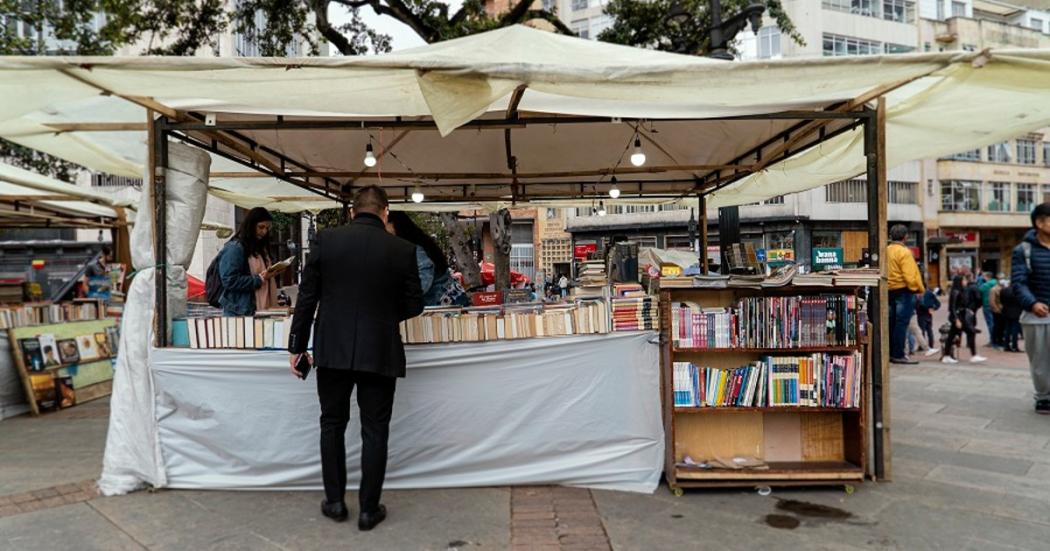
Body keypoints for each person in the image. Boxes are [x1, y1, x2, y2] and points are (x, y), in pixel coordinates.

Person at [288, 186, 424, 529]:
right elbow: (415, 303)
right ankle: (368, 509)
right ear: (386, 212)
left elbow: (307, 298)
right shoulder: (402, 249)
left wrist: (296, 346)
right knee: (375, 429)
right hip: (379, 348)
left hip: (331, 348)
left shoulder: (325, 242)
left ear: (352, 211)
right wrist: (382, 316)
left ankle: (334, 503)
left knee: (331, 424)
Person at [1011, 202, 1050, 414]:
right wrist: (1032, 303)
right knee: (1040, 360)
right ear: (1039, 223)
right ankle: (1044, 397)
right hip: (1037, 315)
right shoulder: (1023, 250)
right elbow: (1018, 282)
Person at [386, 211, 470, 307]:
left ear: (396, 224)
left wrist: (404, 298)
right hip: (450, 298)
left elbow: (424, 275)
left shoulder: (414, 248)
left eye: (385, 224)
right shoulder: (417, 244)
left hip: (444, 302)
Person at [218, 207, 278, 316]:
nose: (264, 231)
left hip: (257, 310)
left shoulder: (260, 248)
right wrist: (260, 279)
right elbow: (229, 280)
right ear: (251, 225)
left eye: (267, 228)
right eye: (261, 227)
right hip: (239, 312)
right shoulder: (235, 248)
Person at [886, 224, 925, 365]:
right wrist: (918, 289)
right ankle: (898, 354)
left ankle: (889, 353)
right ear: (905, 236)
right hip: (903, 291)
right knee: (901, 324)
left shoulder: (886, 250)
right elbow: (910, 275)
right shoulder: (904, 252)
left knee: (891, 323)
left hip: (888, 290)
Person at [943, 274, 986, 364]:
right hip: (958, 317)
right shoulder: (956, 292)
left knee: (953, 335)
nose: (966, 282)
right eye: (964, 280)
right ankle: (972, 355)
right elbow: (952, 307)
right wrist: (956, 319)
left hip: (962, 315)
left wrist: (968, 310)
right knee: (967, 333)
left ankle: (947, 355)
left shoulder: (962, 291)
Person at [999, 278, 1023, 353]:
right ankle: (1014, 346)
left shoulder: (1004, 290)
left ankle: (1006, 346)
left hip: (1006, 311)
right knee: (1015, 330)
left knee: (1007, 329)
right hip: (1016, 312)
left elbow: (1001, 300)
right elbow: (1021, 301)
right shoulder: (1018, 291)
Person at [916, 285, 941, 352]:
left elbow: (919, 305)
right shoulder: (930, 293)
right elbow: (938, 303)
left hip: (922, 315)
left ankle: (923, 346)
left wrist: (933, 308)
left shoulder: (921, 295)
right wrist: (933, 308)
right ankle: (930, 345)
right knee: (929, 330)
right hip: (928, 314)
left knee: (923, 331)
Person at [978, 271, 998, 347]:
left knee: (990, 323)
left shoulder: (985, 285)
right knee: (997, 323)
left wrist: (979, 280)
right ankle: (998, 339)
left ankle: (992, 340)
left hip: (987, 305)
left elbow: (979, 290)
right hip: (997, 305)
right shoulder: (996, 283)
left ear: (986, 277)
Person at [988, 275, 1005, 350]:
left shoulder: (1004, 288)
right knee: (996, 326)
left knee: (1002, 327)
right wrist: (996, 309)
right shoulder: (993, 289)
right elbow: (992, 301)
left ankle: (1000, 340)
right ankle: (995, 341)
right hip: (997, 311)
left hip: (1003, 310)